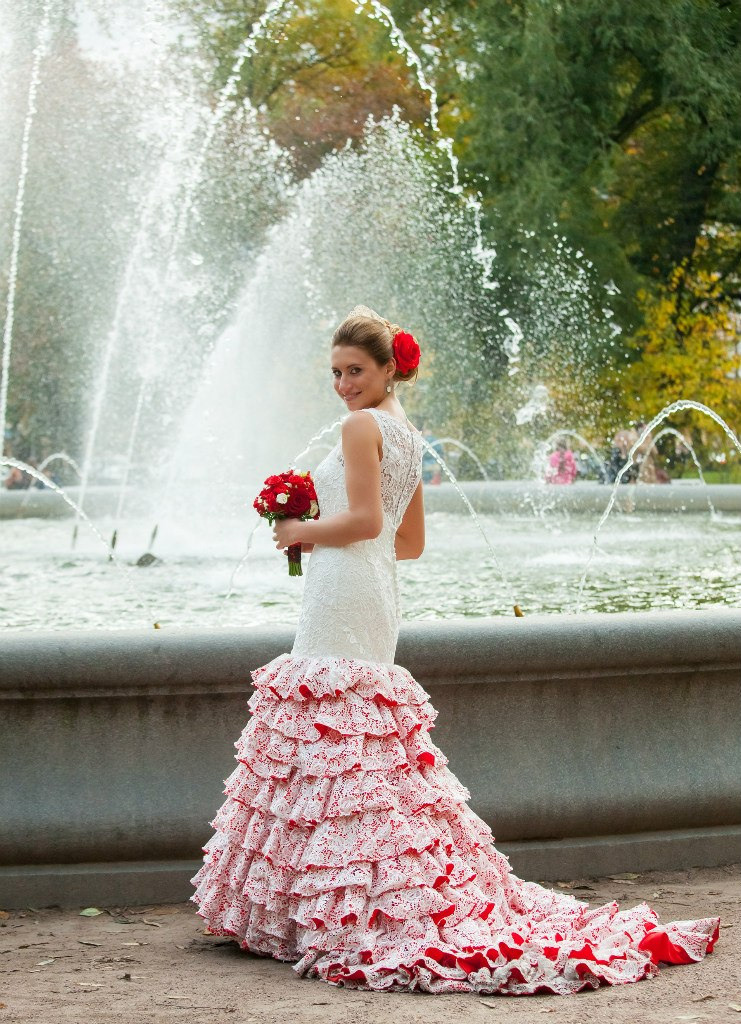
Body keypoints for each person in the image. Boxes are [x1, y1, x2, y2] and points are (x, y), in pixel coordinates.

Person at [190, 306, 719, 995]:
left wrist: (298, 529)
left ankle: (339, 902)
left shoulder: (359, 427)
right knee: (354, 733)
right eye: (335, 373)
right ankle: (343, 893)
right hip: (373, 589)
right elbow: (407, 544)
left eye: (355, 371)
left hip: (343, 586)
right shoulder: (406, 435)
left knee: (327, 724)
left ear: (386, 369)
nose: (343, 385)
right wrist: (323, 532)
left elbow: (367, 522)